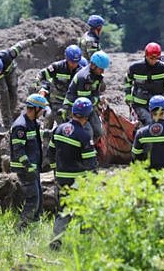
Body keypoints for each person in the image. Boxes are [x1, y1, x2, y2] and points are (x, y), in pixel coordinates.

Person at [48, 97, 99, 250]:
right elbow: (90, 164)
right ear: (87, 116)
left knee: (63, 211)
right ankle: (85, 245)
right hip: (78, 181)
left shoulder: (59, 129)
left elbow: (50, 153)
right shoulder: (84, 136)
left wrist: (56, 171)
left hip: (61, 178)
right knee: (85, 211)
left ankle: (55, 243)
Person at [10, 93, 49, 230]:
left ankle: (34, 228)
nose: (43, 113)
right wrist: (28, 167)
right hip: (25, 169)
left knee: (39, 200)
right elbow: (18, 150)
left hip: (33, 168)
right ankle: (21, 229)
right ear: (35, 109)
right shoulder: (20, 126)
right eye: (42, 110)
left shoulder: (33, 123)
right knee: (33, 200)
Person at [0, 38, 37, 127]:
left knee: (13, 92)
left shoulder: (8, 55)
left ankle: (12, 113)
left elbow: (21, 45)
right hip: (0, 79)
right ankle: (7, 121)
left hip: (10, 71)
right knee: (4, 92)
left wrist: (34, 40)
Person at [31, 44, 85, 131]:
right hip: (55, 101)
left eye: (76, 62)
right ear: (67, 58)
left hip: (70, 103)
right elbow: (42, 75)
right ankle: (45, 138)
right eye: (72, 62)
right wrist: (38, 85)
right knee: (49, 116)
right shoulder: (57, 67)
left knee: (67, 125)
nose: (74, 64)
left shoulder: (81, 72)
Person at [60, 51, 110, 143]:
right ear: (93, 66)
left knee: (99, 131)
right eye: (101, 68)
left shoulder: (96, 75)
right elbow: (84, 101)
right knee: (88, 133)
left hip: (87, 108)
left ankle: (91, 149)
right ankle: (84, 151)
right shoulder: (84, 78)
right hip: (74, 109)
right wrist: (98, 99)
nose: (103, 71)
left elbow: (95, 92)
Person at [124, 43, 164, 126]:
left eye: (156, 58)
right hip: (140, 105)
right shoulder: (135, 68)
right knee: (148, 122)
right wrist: (128, 95)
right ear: (146, 55)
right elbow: (128, 81)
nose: (153, 61)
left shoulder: (163, 68)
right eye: (151, 58)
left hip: (158, 105)